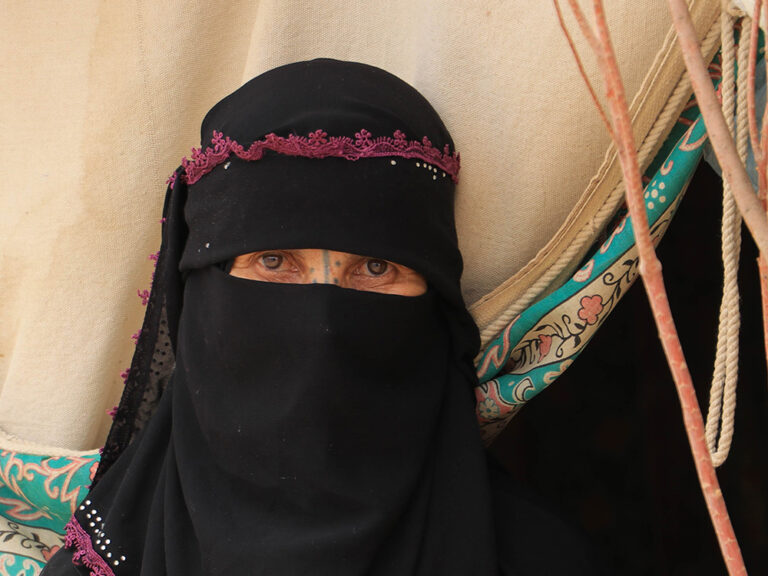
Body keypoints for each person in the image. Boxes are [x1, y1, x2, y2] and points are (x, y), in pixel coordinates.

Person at [42, 58, 593, 576]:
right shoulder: (109, 559)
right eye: (275, 262)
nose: (323, 326)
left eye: (376, 268)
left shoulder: (535, 557)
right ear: (203, 297)